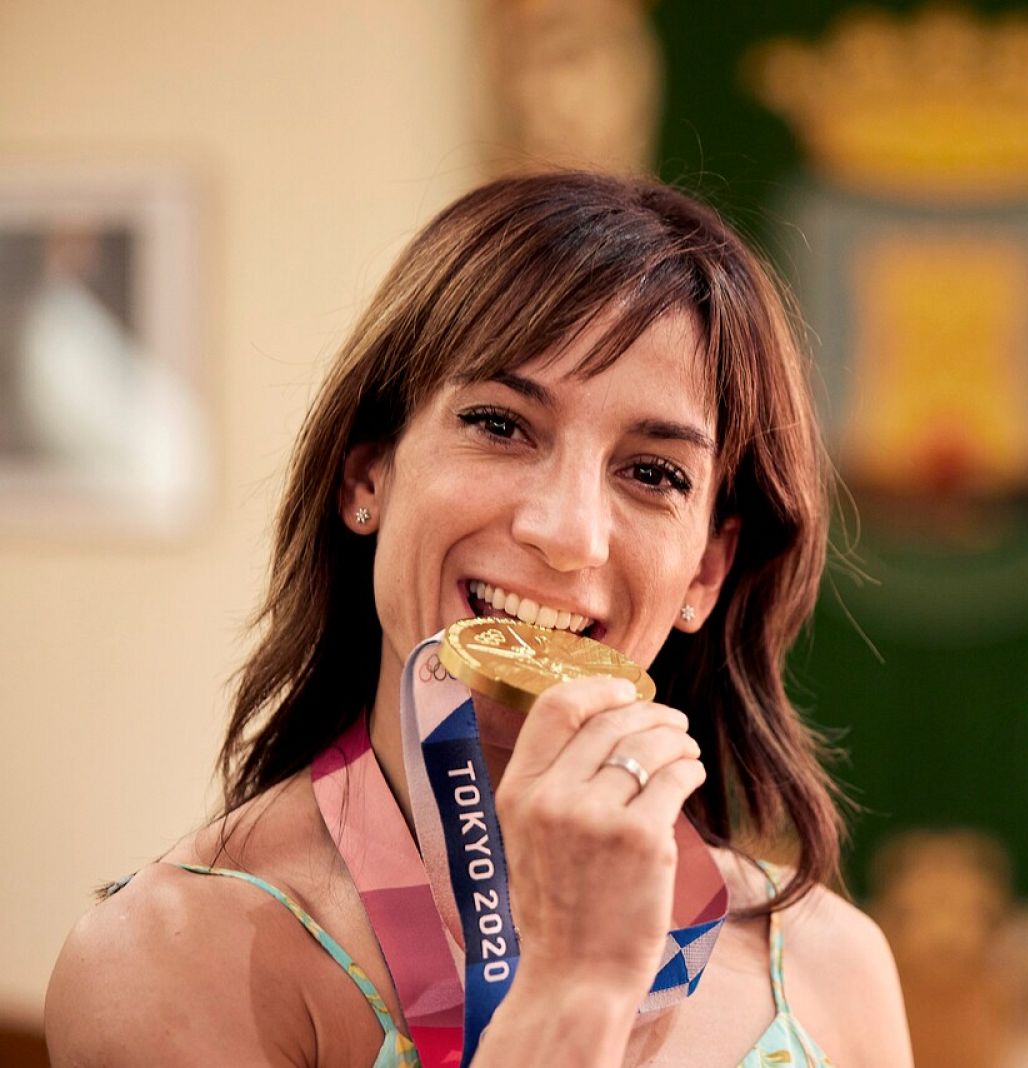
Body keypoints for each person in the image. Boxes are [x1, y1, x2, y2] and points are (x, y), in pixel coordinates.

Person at [45, 172, 913, 1067]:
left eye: (653, 473)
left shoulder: (829, 967)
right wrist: (571, 992)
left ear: (706, 567)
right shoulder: (169, 959)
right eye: (501, 424)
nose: (567, 532)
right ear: (366, 476)